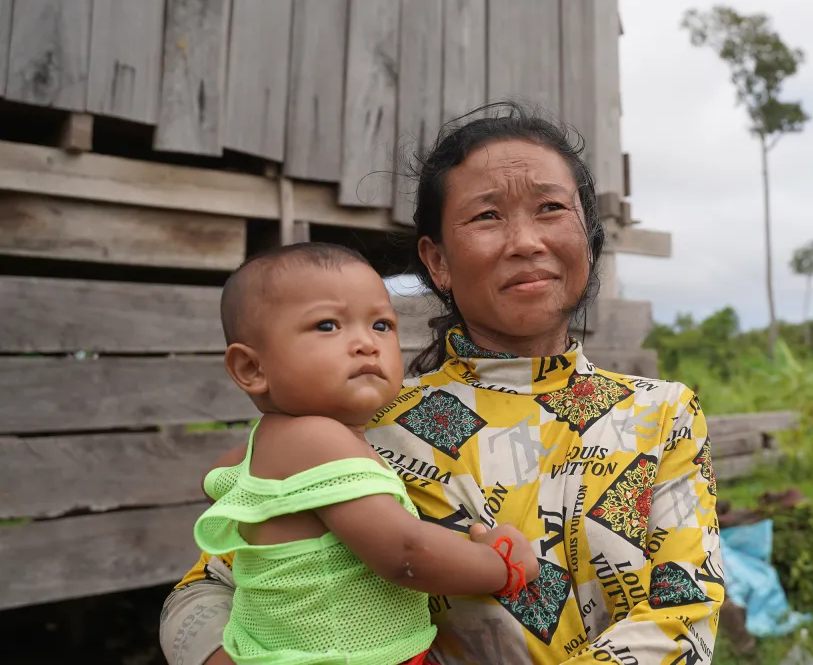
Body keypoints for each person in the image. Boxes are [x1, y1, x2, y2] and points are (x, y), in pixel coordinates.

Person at [160, 102, 724, 665]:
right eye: (487, 217)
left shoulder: (659, 415)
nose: (526, 241)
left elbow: (682, 615)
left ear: (590, 238)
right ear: (437, 261)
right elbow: (203, 588)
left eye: (551, 208)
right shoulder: (360, 422)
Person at [193, 242, 537, 664]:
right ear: (252, 369)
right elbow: (404, 554)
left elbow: (216, 482)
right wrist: (502, 565)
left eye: (381, 325)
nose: (366, 344)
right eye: (326, 326)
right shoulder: (317, 438)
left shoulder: (265, 444)